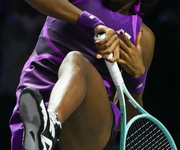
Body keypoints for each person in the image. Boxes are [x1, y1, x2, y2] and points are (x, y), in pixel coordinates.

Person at [9, 0, 155, 149]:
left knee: (76, 62)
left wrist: (137, 78)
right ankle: (43, 130)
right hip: (36, 101)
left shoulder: (142, 38)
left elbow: (126, 121)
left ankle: (49, 127)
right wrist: (89, 22)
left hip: (88, 128)